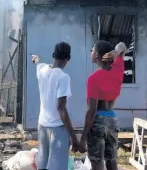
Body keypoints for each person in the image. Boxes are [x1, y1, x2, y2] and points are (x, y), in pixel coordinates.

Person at [79, 41, 127, 170]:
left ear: (98, 55)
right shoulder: (117, 71)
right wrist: (117, 53)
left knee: (97, 161)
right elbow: (122, 46)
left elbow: (92, 110)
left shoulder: (93, 78)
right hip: (112, 119)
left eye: (93, 50)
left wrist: (83, 137)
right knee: (112, 160)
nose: (91, 52)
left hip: (98, 122)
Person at [32, 42, 79, 170]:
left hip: (42, 126)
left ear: (53, 55)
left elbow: (37, 62)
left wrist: (35, 59)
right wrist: (73, 137)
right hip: (58, 129)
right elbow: (61, 108)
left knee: (43, 165)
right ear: (68, 59)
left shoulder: (41, 69)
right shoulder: (63, 77)